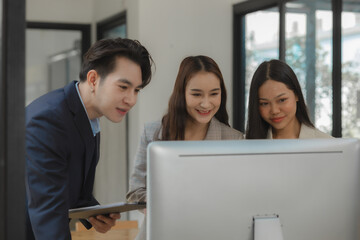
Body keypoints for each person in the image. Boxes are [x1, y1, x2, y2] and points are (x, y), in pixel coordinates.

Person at [25, 38, 153, 240]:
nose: (131, 99)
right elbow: (47, 215)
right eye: (123, 87)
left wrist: (92, 212)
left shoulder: (86, 116)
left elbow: (67, 184)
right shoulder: (48, 121)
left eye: (136, 90)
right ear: (93, 79)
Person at [126, 55, 244, 240]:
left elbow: (237, 198)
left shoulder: (234, 140)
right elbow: (136, 190)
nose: (206, 103)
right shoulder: (153, 133)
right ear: (182, 93)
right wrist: (163, 205)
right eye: (197, 94)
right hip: (162, 232)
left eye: (214, 94)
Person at [245, 59, 332, 139]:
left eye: (282, 100)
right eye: (264, 103)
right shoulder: (245, 146)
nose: (275, 111)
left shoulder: (328, 145)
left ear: (296, 94)